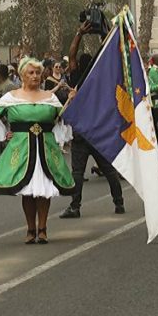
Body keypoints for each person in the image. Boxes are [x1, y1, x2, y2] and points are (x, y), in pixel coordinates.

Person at [0, 58, 75, 244]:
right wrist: (5, 135)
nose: (35, 76)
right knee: (28, 191)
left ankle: (43, 229)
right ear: (22, 75)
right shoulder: (11, 97)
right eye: (31, 73)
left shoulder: (50, 97)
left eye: (38, 73)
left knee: (43, 190)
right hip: (21, 149)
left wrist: (71, 101)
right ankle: (30, 228)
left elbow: (60, 119)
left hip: (46, 149)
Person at [61, 22, 125, 219]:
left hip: (81, 131)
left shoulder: (76, 78)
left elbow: (71, 55)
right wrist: (106, 34)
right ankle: (119, 202)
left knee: (78, 171)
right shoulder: (101, 79)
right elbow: (110, 57)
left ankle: (75, 206)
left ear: (78, 65)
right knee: (107, 169)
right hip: (98, 129)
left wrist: (79, 33)